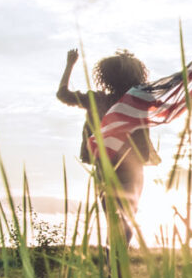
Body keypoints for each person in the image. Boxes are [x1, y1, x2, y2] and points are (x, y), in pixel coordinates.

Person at [57, 48, 160, 248]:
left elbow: (63, 94)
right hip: (132, 167)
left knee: (115, 220)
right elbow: (170, 94)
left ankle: (113, 265)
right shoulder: (141, 101)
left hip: (105, 167)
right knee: (127, 218)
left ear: (105, 77)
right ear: (138, 76)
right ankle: (116, 266)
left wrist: (70, 64)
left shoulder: (97, 100)